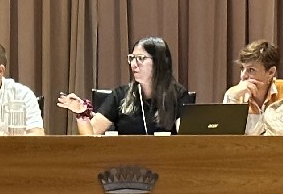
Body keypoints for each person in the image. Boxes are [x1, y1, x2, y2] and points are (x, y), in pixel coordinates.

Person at [58, 36, 189, 135]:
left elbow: (187, 137)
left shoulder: (178, 95)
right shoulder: (120, 95)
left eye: (140, 58)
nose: (133, 64)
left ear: (159, 62)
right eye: (132, 58)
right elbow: (91, 133)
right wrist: (82, 113)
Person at [222, 39, 283, 135]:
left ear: (270, 72)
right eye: (242, 69)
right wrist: (233, 99)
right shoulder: (235, 94)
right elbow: (226, 137)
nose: (243, 76)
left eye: (251, 70)